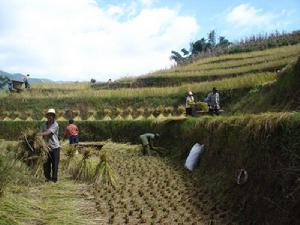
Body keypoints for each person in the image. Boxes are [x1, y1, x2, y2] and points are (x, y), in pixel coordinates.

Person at [40, 108, 60, 182]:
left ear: (53, 116)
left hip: (55, 147)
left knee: (55, 164)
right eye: (48, 115)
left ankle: (54, 179)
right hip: (46, 147)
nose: (49, 116)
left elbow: (48, 133)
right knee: (46, 163)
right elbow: (41, 134)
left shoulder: (55, 124)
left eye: (51, 115)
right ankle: (47, 178)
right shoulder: (43, 125)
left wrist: (38, 134)